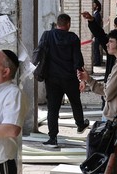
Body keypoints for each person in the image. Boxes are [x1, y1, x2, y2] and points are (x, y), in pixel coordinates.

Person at [38, 14, 89, 148]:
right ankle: (80, 124)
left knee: (53, 108)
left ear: (57, 23)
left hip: (52, 78)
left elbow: (40, 53)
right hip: (69, 78)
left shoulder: (47, 36)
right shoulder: (73, 38)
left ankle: (52, 138)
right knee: (75, 102)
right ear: (68, 24)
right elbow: (77, 59)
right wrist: (81, 77)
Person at [78, 29, 117, 123]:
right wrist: (88, 79)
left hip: (115, 117)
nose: (107, 44)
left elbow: (108, 93)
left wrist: (90, 80)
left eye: (111, 41)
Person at [91, 0, 104, 67]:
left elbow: (96, 25)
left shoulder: (97, 15)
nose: (92, 6)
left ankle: (97, 62)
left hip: (96, 35)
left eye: (94, 5)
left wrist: (94, 35)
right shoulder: (95, 14)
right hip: (96, 35)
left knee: (96, 48)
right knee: (95, 48)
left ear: (97, 7)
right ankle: (96, 61)